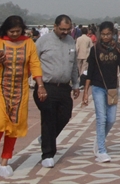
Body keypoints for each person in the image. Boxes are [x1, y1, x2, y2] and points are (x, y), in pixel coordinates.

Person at [0, 15, 45, 178]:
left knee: (14, 126)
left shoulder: (29, 43)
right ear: (5, 30)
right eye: (12, 31)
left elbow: (35, 64)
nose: (15, 34)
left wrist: (40, 86)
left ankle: (5, 161)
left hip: (20, 90)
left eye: (18, 31)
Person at [81, 21, 120, 162]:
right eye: (103, 34)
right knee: (101, 118)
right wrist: (85, 93)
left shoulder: (119, 48)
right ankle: (101, 151)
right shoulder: (95, 50)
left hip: (112, 88)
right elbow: (89, 73)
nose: (106, 37)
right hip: (97, 87)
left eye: (108, 34)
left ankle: (99, 139)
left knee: (112, 119)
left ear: (113, 34)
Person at [35, 15, 80, 168]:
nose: (65, 32)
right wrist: (36, 83)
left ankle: (47, 138)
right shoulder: (43, 41)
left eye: (68, 29)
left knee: (65, 115)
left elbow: (73, 65)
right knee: (48, 118)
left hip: (64, 87)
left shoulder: (71, 41)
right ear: (54, 26)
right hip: (46, 86)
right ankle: (48, 154)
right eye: (62, 29)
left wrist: (76, 84)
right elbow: (33, 62)